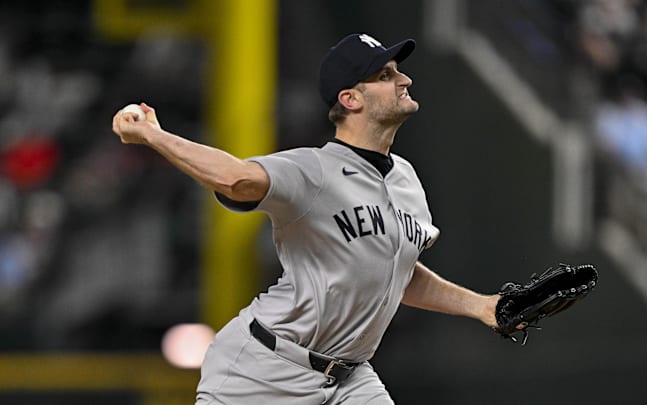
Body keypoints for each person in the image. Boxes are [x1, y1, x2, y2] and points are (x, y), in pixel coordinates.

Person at [113, 33, 503, 405]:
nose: (405, 79)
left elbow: (396, 272)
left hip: (349, 378)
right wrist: (155, 136)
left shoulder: (406, 180)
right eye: (385, 75)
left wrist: (481, 306)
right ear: (350, 99)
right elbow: (234, 178)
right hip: (264, 368)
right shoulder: (313, 171)